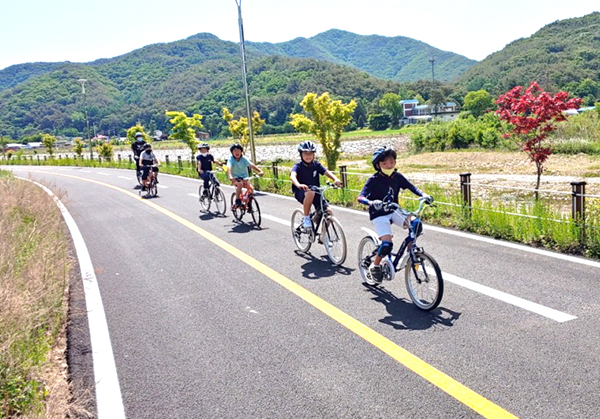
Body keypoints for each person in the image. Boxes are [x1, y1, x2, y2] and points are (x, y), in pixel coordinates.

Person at [357, 146, 432, 285]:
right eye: (384, 163)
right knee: (386, 245)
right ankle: (376, 265)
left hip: (394, 210)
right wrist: (372, 202)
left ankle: (411, 251)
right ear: (378, 165)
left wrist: (423, 195)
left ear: (395, 162)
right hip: (379, 214)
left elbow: (412, 187)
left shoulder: (397, 177)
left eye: (391, 162)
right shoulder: (373, 180)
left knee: (416, 224)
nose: (388, 165)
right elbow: (360, 197)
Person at [290, 141, 342, 228]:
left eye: (310, 153)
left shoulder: (316, 164)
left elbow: (326, 171)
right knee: (310, 193)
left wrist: (336, 179)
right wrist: (298, 185)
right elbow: (293, 176)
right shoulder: (298, 166)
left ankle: (323, 236)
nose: (308, 156)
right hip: (301, 192)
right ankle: (306, 218)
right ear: (301, 154)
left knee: (329, 211)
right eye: (305, 153)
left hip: (316, 191)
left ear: (314, 155)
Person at [227, 143, 263, 208]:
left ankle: (249, 203)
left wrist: (260, 171)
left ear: (241, 151)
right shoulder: (231, 159)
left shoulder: (244, 159)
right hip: (235, 178)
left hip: (245, 177)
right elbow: (229, 167)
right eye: (234, 151)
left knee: (251, 189)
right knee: (240, 184)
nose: (237, 152)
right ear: (232, 152)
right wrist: (230, 176)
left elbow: (251, 165)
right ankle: (237, 200)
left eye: (238, 150)